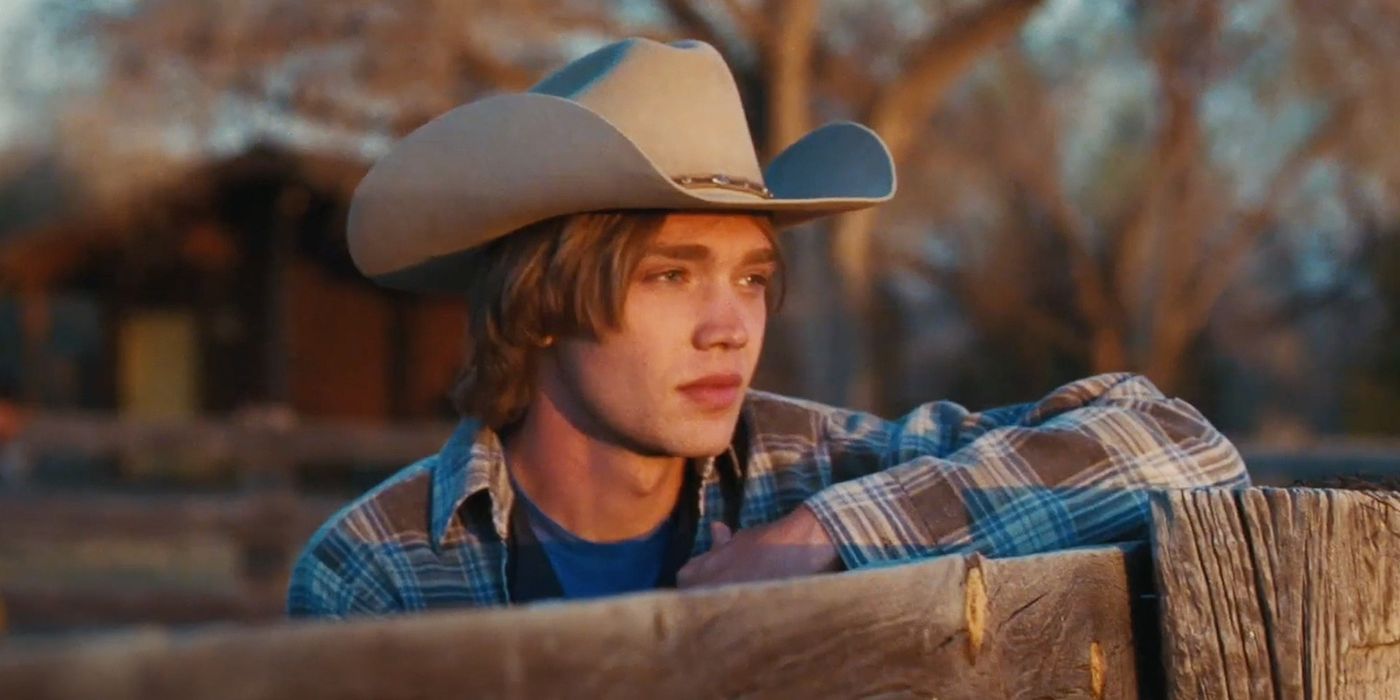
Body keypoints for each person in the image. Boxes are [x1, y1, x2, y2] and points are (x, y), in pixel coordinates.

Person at [287, 38, 1247, 617]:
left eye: (751, 278)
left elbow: (1181, 449)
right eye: (670, 276)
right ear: (540, 306)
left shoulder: (819, 473)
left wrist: (823, 536)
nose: (729, 327)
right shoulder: (376, 568)